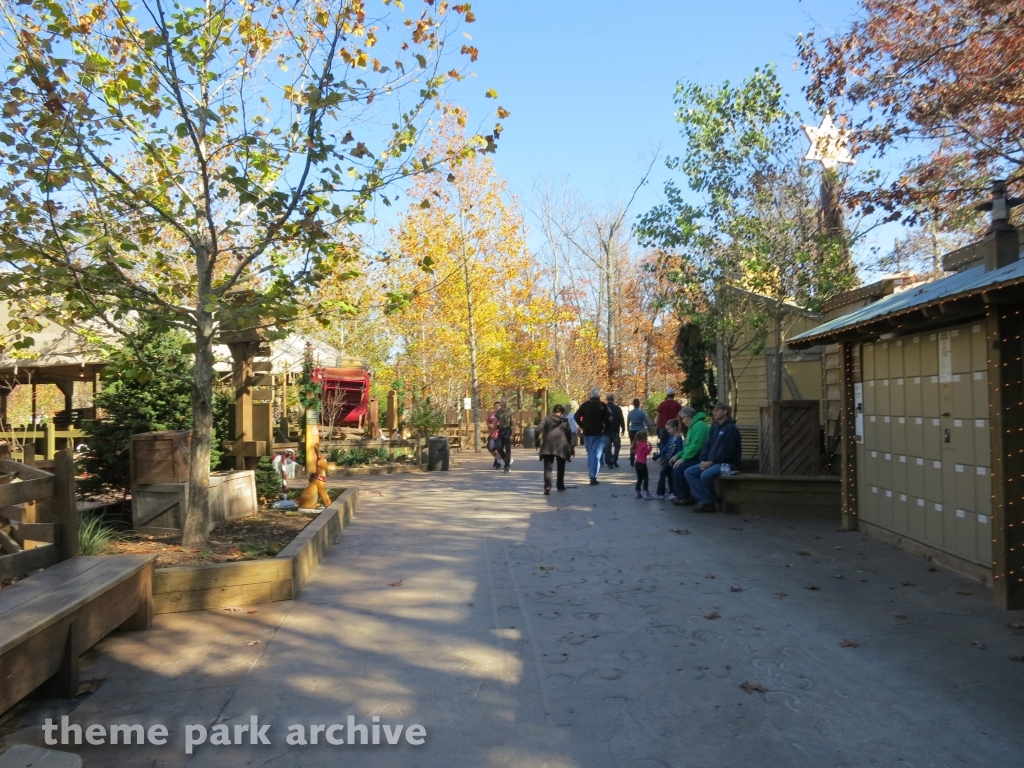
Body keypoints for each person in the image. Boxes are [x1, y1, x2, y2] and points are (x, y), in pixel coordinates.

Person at [684, 402, 742, 513]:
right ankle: (705, 501)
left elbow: (726, 451)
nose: (714, 412)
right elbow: (707, 445)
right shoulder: (714, 427)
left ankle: (713, 500)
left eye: (717, 410)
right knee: (689, 472)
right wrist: (703, 460)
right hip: (712, 462)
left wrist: (711, 463)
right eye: (714, 410)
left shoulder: (730, 429)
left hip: (727, 464)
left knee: (705, 475)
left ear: (725, 412)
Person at [671, 407, 709, 506]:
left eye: (682, 418)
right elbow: (688, 447)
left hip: (701, 458)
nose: (682, 421)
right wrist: (678, 455)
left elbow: (696, 447)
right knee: (673, 465)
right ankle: (678, 494)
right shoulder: (692, 427)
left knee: (679, 467)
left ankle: (684, 496)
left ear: (687, 417)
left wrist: (683, 459)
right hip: (694, 456)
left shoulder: (699, 426)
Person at [574, 387, 612, 485]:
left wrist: (583, 426)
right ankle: (593, 476)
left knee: (591, 454)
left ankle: (591, 473)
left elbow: (576, 416)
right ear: (599, 395)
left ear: (590, 395)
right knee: (596, 454)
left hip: (587, 433)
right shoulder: (603, 406)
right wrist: (606, 428)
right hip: (599, 432)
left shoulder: (585, 405)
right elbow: (610, 418)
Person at [538, 404, 573, 494]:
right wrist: (571, 446)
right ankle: (560, 486)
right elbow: (569, 435)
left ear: (553, 411)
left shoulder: (546, 419)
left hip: (548, 446)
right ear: (561, 412)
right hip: (561, 446)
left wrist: (537, 441)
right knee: (561, 468)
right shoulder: (564, 421)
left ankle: (548, 486)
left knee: (547, 469)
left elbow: (537, 430)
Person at [653, 419, 683, 499]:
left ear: (675, 427)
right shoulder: (672, 437)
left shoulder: (678, 438)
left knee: (662, 474)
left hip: (672, 460)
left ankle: (660, 493)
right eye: (667, 429)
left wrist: (677, 458)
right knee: (670, 476)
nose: (668, 431)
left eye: (669, 429)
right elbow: (666, 448)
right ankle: (671, 491)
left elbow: (680, 450)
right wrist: (658, 456)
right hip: (668, 459)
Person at [626, 398, 654, 466]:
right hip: (640, 431)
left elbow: (627, 422)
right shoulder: (642, 412)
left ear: (633, 404)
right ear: (639, 404)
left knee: (633, 445)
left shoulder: (630, 412)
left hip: (632, 430)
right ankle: (641, 458)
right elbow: (647, 422)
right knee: (641, 445)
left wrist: (628, 429)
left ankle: (632, 459)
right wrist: (650, 431)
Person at [603, 393, 626, 469]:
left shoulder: (604, 408)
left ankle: (609, 462)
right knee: (617, 446)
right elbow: (621, 419)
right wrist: (623, 428)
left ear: (607, 399)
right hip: (615, 430)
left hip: (606, 431)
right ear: (613, 399)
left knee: (607, 447)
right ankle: (614, 458)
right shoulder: (617, 408)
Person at [494, 399, 515, 472]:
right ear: (500, 403)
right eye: (502, 402)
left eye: (504, 402)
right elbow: (495, 422)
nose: (503, 403)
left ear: (506, 402)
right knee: (499, 447)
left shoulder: (510, 411)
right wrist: (493, 432)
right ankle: (507, 460)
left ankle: (507, 466)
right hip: (501, 431)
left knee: (507, 449)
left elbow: (513, 423)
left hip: (508, 430)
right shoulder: (498, 412)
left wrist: (512, 434)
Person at [633, 430, 653, 499]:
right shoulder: (644, 445)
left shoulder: (636, 444)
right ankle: (645, 491)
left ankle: (637, 492)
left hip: (637, 463)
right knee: (646, 478)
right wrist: (650, 447)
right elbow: (647, 453)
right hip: (643, 463)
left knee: (639, 478)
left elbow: (635, 452)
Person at [485, 400, 503, 469]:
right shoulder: (491, 414)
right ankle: (496, 458)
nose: (497, 407)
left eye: (498, 406)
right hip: (492, 434)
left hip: (500, 434)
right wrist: (490, 425)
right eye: (495, 406)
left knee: (499, 448)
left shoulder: (503, 414)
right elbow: (487, 422)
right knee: (490, 447)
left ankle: (498, 462)